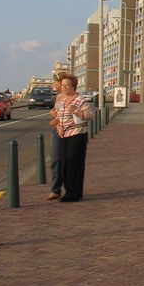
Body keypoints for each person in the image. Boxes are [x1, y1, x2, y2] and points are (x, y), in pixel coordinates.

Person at [50, 75, 95, 203]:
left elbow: (90, 115)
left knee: (74, 163)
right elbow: (57, 112)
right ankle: (68, 190)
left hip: (77, 134)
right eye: (63, 85)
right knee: (64, 162)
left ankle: (74, 193)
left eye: (67, 85)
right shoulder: (60, 98)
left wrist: (76, 111)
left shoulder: (79, 100)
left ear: (73, 86)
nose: (64, 87)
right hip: (63, 134)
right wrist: (57, 124)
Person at [45, 71, 68, 201]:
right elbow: (57, 112)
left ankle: (58, 189)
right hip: (58, 129)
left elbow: (61, 115)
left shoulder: (67, 96)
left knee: (59, 159)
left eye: (54, 81)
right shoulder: (59, 97)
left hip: (65, 131)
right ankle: (56, 188)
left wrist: (57, 122)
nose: (53, 84)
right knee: (55, 159)